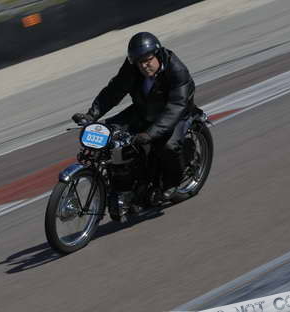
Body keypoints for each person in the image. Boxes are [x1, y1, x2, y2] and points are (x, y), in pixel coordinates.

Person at [72, 32, 198, 201]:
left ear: (158, 54)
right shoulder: (132, 66)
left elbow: (176, 107)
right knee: (108, 133)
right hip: (143, 110)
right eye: (139, 62)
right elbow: (114, 90)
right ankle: (124, 184)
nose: (144, 65)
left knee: (167, 147)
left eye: (148, 60)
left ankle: (171, 183)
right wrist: (91, 115)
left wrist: (149, 134)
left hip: (176, 115)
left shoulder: (177, 70)